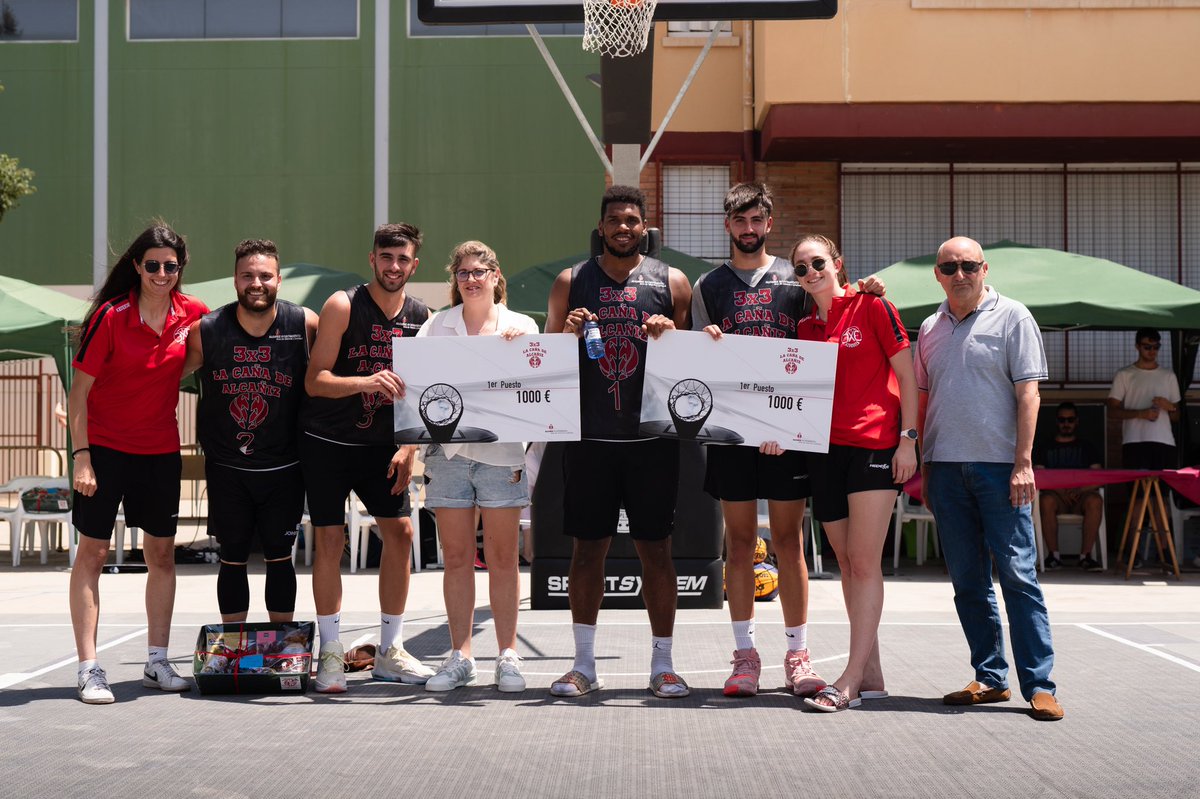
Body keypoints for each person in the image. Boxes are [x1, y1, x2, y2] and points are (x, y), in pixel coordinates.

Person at [545, 185, 692, 698]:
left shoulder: (672, 281)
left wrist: (669, 333)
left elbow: (692, 365)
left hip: (651, 438)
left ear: (645, 226)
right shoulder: (572, 280)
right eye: (614, 220)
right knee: (587, 551)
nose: (624, 227)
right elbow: (545, 362)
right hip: (590, 439)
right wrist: (564, 334)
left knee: (658, 551)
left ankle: (663, 666)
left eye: (632, 219)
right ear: (601, 226)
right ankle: (583, 665)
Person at [914, 236, 1063, 721]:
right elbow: (921, 397)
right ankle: (990, 677)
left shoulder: (1014, 316)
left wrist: (1024, 462)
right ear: (937, 273)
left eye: (969, 265)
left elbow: (1029, 395)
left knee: (1019, 577)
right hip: (945, 469)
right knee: (968, 582)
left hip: (1002, 471)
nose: (960, 274)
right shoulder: (930, 327)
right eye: (950, 266)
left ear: (984, 268)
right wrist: (924, 462)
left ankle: (1040, 686)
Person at [773, 233, 919, 712]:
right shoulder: (804, 329)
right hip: (822, 451)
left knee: (863, 561)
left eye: (817, 262)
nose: (810, 272)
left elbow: (910, 377)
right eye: (799, 267)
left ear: (837, 263)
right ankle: (872, 669)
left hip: (875, 447)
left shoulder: (873, 306)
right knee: (846, 562)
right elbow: (793, 395)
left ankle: (851, 679)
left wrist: (908, 440)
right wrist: (777, 431)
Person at [690, 183, 824, 698]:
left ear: (769, 223)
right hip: (732, 431)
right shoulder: (709, 286)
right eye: (739, 221)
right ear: (728, 226)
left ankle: (797, 653)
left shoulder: (799, 277)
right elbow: (699, 365)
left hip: (787, 430)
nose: (749, 229)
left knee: (789, 543)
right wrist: (706, 346)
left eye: (757, 221)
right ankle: (745, 656)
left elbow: (821, 343)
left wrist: (782, 425)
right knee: (739, 543)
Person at [68, 222, 210, 704]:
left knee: (162, 556)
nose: (162, 273)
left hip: (159, 452)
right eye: (153, 265)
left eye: (171, 266)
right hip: (104, 451)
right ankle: (89, 668)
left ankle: (156, 661)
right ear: (136, 265)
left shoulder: (192, 313)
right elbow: (79, 393)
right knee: (92, 555)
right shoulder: (111, 315)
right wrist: (82, 457)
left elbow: (214, 347)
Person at [301, 222, 434, 693]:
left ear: (413, 265)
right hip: (329, 443)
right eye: (386, 257)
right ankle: (332, 654)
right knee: (330, 542)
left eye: (402, 259)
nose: (393, 266)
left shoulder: (425, 318)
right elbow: (315, 380)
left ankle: (390, 650)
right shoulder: (342, 305)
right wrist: (365, 380)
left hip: (385, 447)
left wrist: (409, 446)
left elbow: (426, 396)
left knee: (400, 534)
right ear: (372, 259)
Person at [414, 241, 539, 692]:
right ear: (455, 279)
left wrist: (520, 350)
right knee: (457, 561)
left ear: (495, 275)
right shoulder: (434, 326)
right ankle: (461, 655)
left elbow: (536, 386)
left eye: (479, 271)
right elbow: (417, 391)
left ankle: (508, 655)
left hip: (502, 455)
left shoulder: (522, 325)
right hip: (447, 457)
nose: (471, 279)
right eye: (463, 272)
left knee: (504, 559)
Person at [184, 240, 319, 622]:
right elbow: (158, 376)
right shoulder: (207, 330)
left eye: (264, 275)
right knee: (232, 558)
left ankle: (280, 648)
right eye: (247, 275)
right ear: (235, 280)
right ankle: (233, 651)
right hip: (228, 469)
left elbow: (344, 358)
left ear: (278, 279)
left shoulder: (304, 323)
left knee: (280, 559)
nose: (256, 283)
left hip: (285, 467)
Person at [1033, 401, 1104, 572]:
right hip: (1056, 497)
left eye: (1070, 420)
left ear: (1077, 421)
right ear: (1056, 421)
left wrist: (1079, 490)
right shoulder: (1044, 447)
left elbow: (1099, 477)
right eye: (1062, 420)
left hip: (1082, 497)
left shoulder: (1087, 447)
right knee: (1046, 500)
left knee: (1096, 500)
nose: (1066, 424)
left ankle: (1086, 557)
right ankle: (1053, 557)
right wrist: (1060, 491)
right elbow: (1038, 476)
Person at [1108, 329, 1180, 470]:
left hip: (1164, 441)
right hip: (1134, 441)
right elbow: (1111, 411)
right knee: (1137, 491)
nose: (1152, 351)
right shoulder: (1124, 374)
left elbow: (1176, 417)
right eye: (1147, 347)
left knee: (1163, 491)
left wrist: (1170, 406)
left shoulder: (1169, 376)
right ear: (1137, 346)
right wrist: (1141, 414)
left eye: (1156, 347)